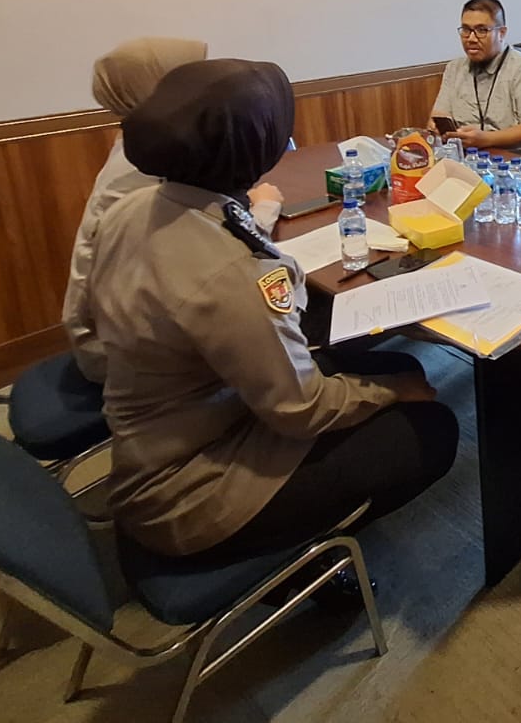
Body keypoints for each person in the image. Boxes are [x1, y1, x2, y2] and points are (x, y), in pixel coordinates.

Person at [90, 58, 458, 560]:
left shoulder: (137, 207)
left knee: (384, 363)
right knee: (431, 428)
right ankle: (305, 561)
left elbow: (220, 240)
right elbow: (301, 409)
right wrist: (394, 392)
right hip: (191, 491)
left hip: (168, 435)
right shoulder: (233, 274)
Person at [60, 36, 285, 384]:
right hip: (120, 352)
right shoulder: (149, 164)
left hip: (130, 323)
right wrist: (265, 209)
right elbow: (214, 248)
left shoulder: (140, 146)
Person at [430, 0, 521, 158]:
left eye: (482, 30)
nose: (471, 38)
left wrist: (484, 139)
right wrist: (436, 128)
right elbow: (438, 115)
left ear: (501, 33)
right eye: (466, 30)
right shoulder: (454, 69)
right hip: (473, 157)